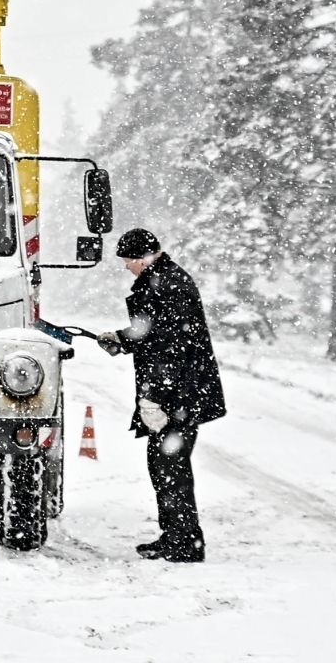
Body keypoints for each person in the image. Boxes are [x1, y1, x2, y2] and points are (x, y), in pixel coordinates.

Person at [96, 228, 226, 562]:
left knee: (171, 467)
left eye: (127, 260)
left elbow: (171, 345)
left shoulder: (169, 284)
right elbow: (155, 332)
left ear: (141, 257)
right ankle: (177, 538)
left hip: (179, 395)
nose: (126, 266)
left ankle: (184, 544)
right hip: (177, 392)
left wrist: (155, 399)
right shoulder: (163, 280)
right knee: (165, 466)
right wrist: (123, 339)